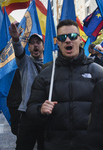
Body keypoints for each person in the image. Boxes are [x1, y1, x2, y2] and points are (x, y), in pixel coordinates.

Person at [26, 19, 103, 150]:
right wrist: (40, 109)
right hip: (56, 145)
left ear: (80, 40)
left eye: (73, 36)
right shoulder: (45, 75)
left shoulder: (98, 73)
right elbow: (30, 111)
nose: (68, 40)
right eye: (62, 37)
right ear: (58, 42)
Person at [9, 23, 44, 150]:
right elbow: (18, 51)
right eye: (32, 43)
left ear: (42, 46)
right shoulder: (25, 62)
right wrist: (15, 39)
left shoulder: (51, 64)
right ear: (28, 48)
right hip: (27, 113)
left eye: (38, 42)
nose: (35, 45)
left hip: (46, 113)